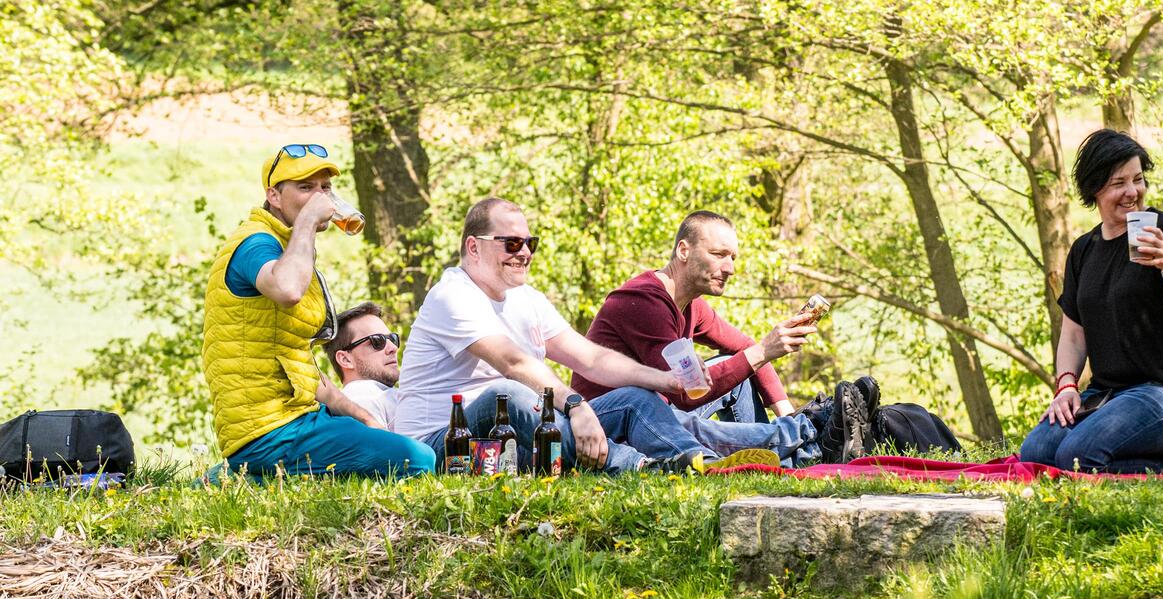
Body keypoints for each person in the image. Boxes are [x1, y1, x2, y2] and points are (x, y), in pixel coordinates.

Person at [391, 197, 848, 471]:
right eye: (512, 244)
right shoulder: (452, 295)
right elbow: (513, 364)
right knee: (509, 393)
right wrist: (575, 406)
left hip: (529, 430)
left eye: (531, 243)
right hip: (446, 440)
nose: (524, 253)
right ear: (474, 247)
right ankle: (647, 467)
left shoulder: (525, 297)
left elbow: (590, 359)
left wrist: (664, 382)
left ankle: (704, 463)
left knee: (636, 398)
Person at [201, 145, 435, 479]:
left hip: (298, 418)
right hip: (268, 431)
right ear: (274, 196)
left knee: (400, 443)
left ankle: (239, 475)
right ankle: (251, 475)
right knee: (418, 459)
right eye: (305, 187)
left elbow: (304, 370)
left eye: (325, 188)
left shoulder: (288, 246)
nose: (320, 197)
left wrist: (362, 417)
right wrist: (308, 221)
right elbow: (287, 290)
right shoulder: (254, 243)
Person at [575, 211, 868, 463]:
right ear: (683, 251)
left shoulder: (690, 305)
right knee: (684, 410)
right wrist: (764, 351)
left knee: (733, 364)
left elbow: (745, 348)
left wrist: (785, 409)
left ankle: (786, 447)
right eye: (718, 255)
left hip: (661, 412)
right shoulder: (644, 302)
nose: (729, 268)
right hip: (609, 427)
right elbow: (689, 395)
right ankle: (810, 434)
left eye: (732, 258)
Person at [1019, 129, 1163, 473]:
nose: (1132, 192)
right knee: (1036, 453)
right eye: (1118, 183)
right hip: (1108, 395)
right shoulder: (1083, 250)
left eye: (1138, 180)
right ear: (1094, 189)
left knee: (1075, 456)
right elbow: (1074, 334)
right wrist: (1066, 386)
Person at [324, 301, 401, 428]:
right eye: (377, 341)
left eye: (392, 339)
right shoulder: (361, 397)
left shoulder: (378, 395)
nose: (393, 347)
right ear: (345, 359)